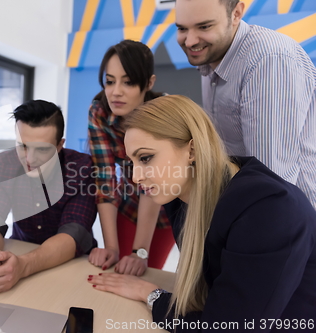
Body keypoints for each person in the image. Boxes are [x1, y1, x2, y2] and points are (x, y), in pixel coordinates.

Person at [88, 95, 316, 331]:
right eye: (132, 162)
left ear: (192, 150)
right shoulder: (182, 197)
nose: (135, 177)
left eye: (146, 158)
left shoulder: (269, 210)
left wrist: (151, 295)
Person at [175, 0, 316, 208]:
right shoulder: (211, 54)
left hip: (291, 223)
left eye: (204, 27)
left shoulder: (268, 61)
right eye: (182, 28)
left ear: (236, 13)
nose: (189, 41)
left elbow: (270, 182)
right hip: (253, 211)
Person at [0, 100, 97, 293]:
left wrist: (23, 266)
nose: (30, 159)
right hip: (19, 253)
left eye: (41, 149)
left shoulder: (82, 168)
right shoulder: (4, 163)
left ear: (59, 146)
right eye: (23, 146)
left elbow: (73, 232)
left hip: (73, 266)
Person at [87, 40, 174, 274]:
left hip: (167, 207)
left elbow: (153, 186)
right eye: (110, 81)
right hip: (129, 203)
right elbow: (104, 179)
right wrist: (111, 247)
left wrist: (140, 252)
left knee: (145, 271)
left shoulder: (163, 115)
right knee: (116, 267)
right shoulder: (100, 112)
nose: (116, 92)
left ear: (148, 83)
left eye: (128, 82)